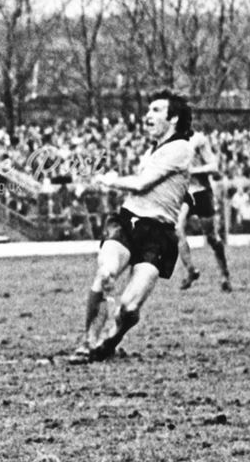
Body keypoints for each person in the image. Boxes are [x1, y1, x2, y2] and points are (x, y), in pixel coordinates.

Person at [68, 90, 193, 364]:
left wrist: (107, 178)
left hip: (158, 235)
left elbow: (141, 184)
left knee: (129, 306)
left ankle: (110, 341)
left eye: (156, 111)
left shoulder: (181, 147)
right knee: (105, 275)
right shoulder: (153, 149)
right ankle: (88, 342)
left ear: (173, 118)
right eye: (148, 110)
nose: (147, 116)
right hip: (127, 222)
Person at [175, 131, 232, 292]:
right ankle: (191, 271)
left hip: (201, 191)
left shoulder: (198, 140)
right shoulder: (169, 141)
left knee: (212, 237)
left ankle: (224, 275)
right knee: (177, 228)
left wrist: (192, 171)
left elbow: (214, 167)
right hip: (184, 192)